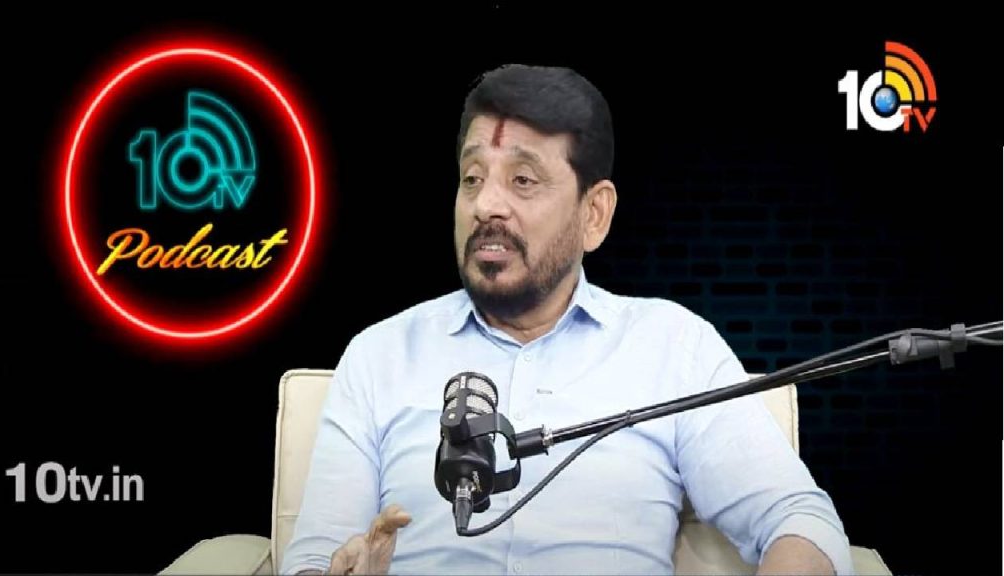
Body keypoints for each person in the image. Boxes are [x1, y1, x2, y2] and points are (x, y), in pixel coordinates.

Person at [281, 63, 854, 576]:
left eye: (523, 180)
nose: (486, 205)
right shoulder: (379, 356)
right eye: (472, 178)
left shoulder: (672, 347)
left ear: (594, 214)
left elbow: (798, 520)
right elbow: (315, 555)